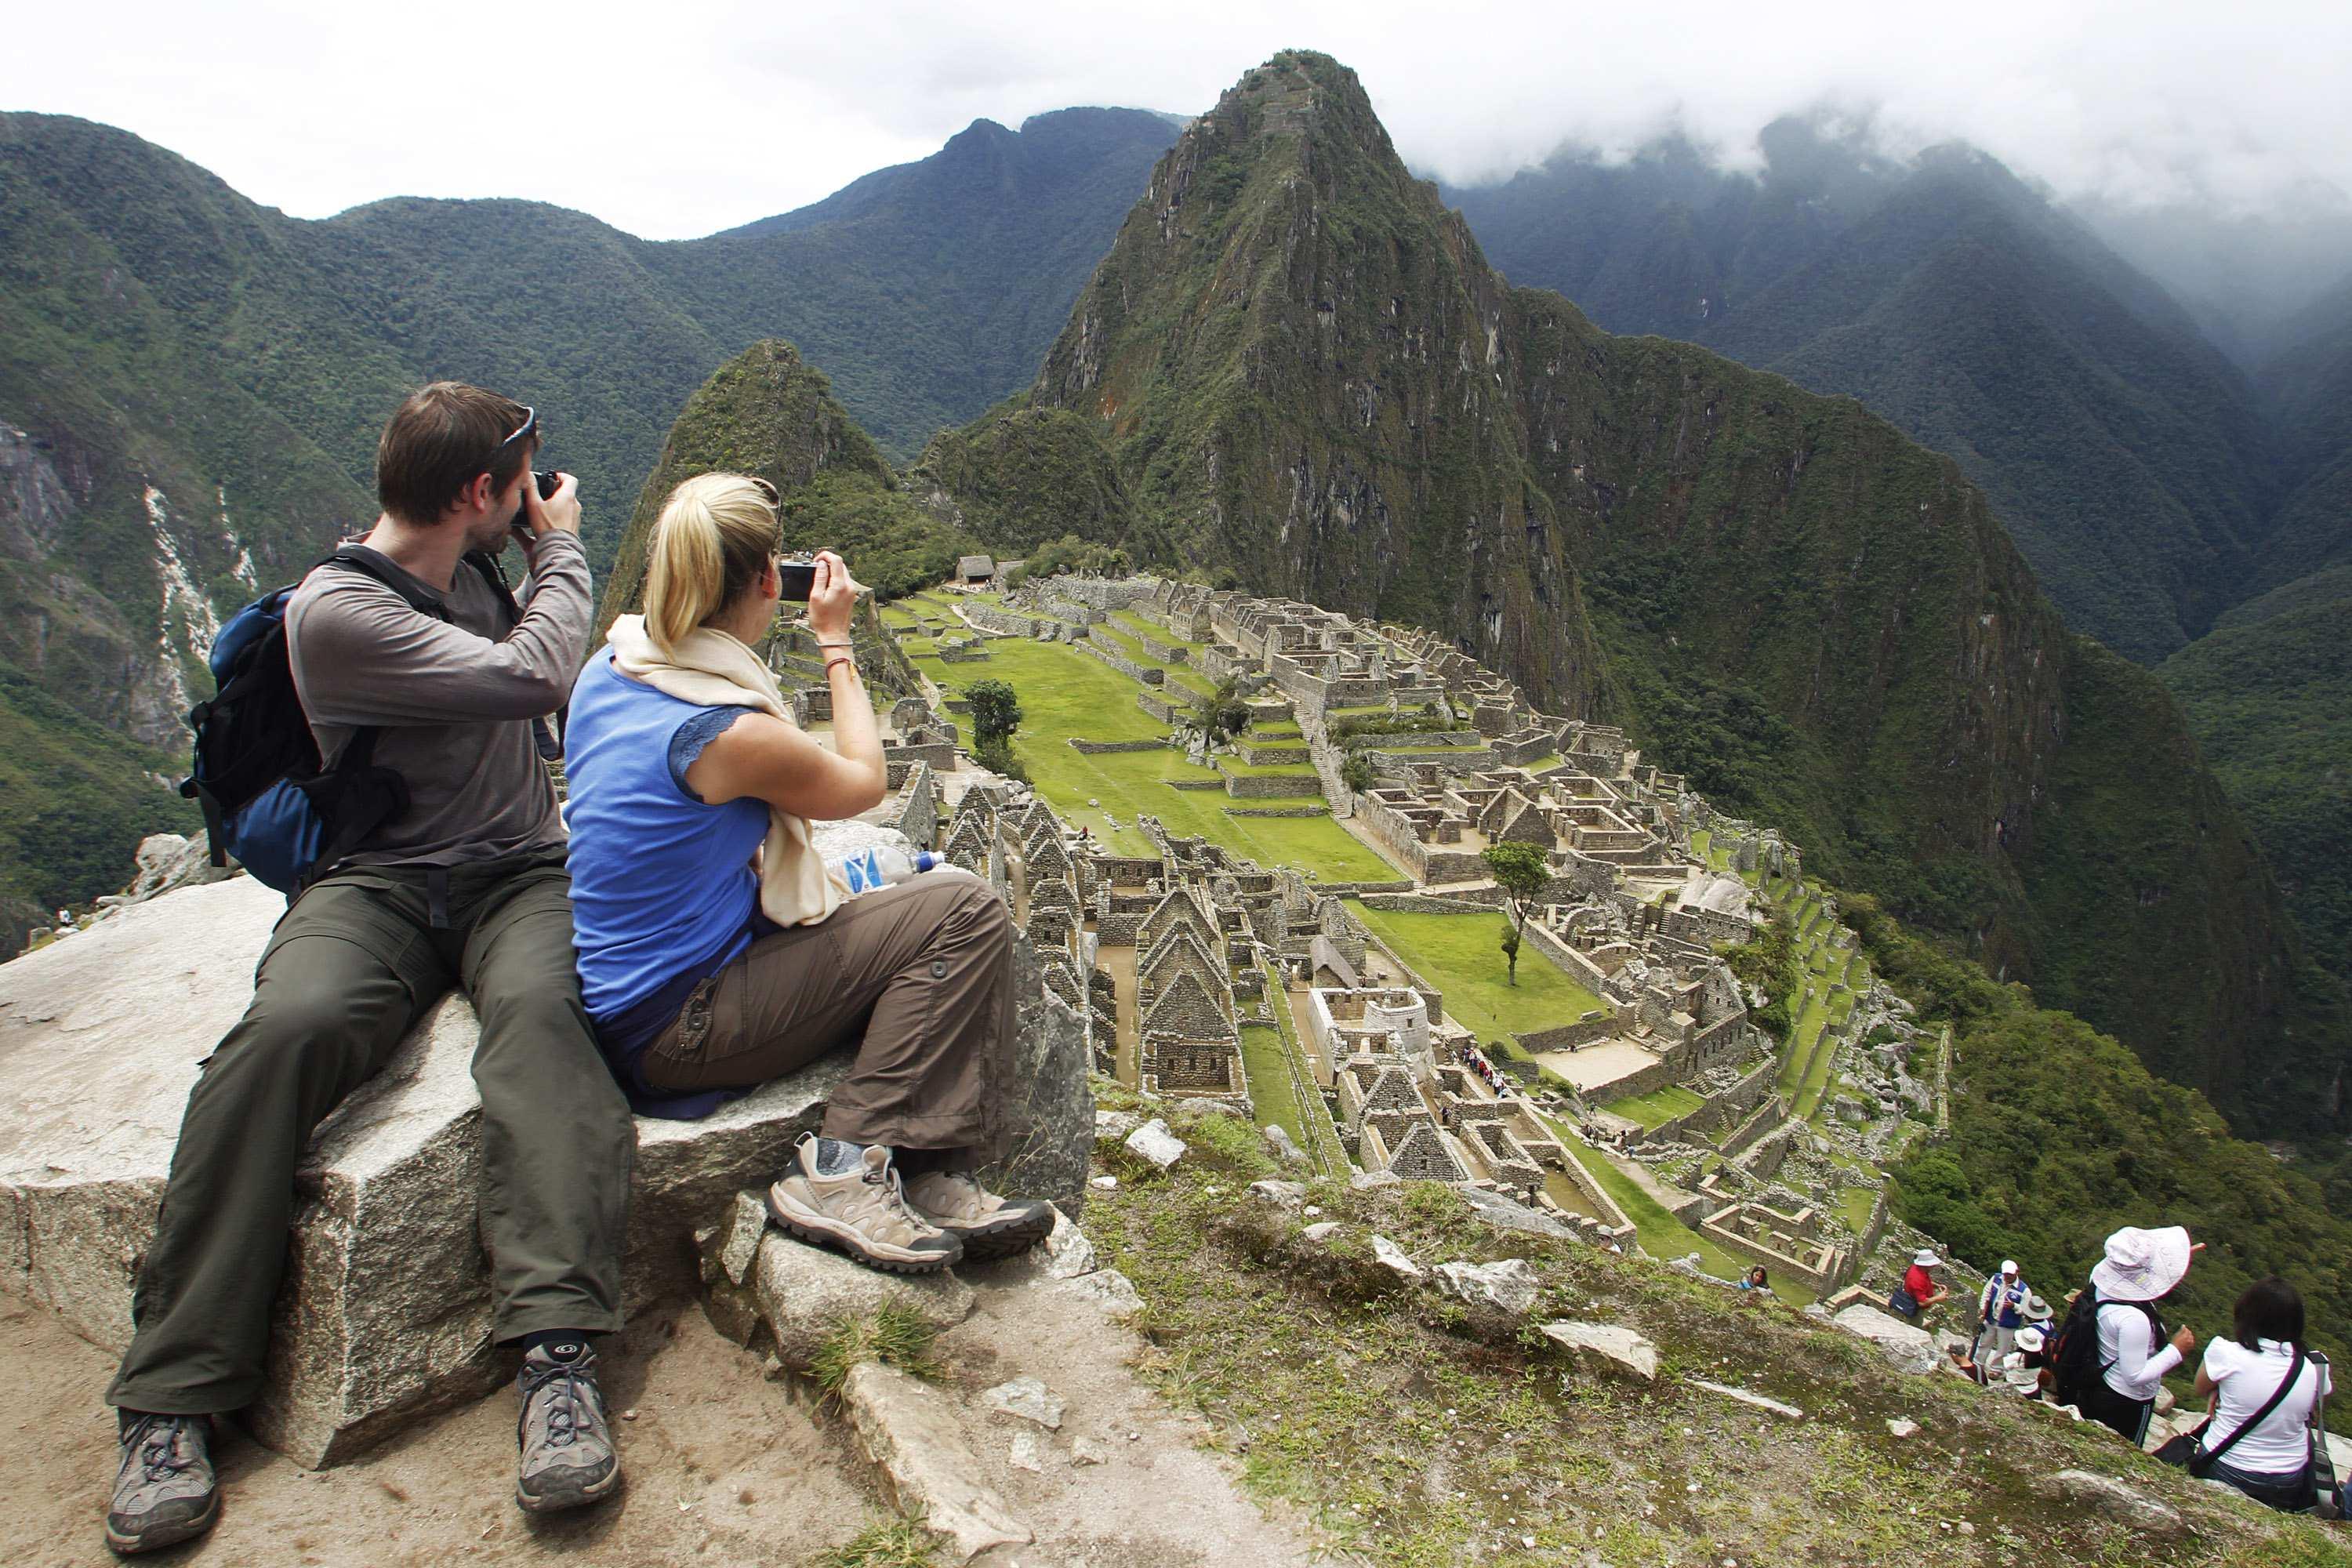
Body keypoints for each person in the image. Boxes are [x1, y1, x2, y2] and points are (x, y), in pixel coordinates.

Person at [101, 386, 636, 1554]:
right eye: (519, 483)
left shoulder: (476, 567)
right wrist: (568, 545)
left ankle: (555, 1355)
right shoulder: (342, 612)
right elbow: (539, 676)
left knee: (547, 1023)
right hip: (379, 884)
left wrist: (526, 551)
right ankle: (175, 1395)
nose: (534, 499)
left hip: (516, 873)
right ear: (475, 495)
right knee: (283, 1034)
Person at [561, 472, 1053, 1275]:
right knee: (963, 908)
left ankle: (924, 1169)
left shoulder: (613, 667)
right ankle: (842, 1163)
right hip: (680, 1021)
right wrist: (836, 640)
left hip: (637, 990)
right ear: (766, 582)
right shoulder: (722, 729)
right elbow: (863, 781)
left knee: (903, 890)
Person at [2190, 1278, 2329, 1511]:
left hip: (2226, 1465)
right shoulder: (2317, 1366)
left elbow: (2199, 1388)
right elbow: (2312, 1409)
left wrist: (2219, 1388)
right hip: (2287, 1477)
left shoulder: (2225, 1353)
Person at [2080, 1225, 2201, 1445]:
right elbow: (2134, 1377)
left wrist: (2175, 1265)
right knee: (2125, 1449)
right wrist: (2177, 1350)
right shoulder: (2133, 1320)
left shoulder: (2102, 1282)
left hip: (2103, 1383)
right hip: (2126, 1400)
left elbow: (2139, 1286)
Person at [1977, 1259, 2031, 1370]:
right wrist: (1983, 1308)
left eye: (2010, 1274)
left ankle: (1996, 1369)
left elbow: (2026, 1310)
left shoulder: (2024, 1290)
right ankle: (1978, 1364)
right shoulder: (1996, 1279)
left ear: (2017, 1272)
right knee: (1984, 1342)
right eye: (2006, 1274)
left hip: (2008, 1323)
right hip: (1991, 1318)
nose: (2007, 1277)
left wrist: (2014, 1306)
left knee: (2003, 1349)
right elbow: (1986, 1292)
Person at [1892, 1248, 1949, 1323]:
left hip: (1912, 1301)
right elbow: (1922, 1303)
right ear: (1927, 1265)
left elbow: (1923, 1283)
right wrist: (1938, 1297)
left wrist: (1937, 1285)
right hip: (1913, 1308)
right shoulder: (1917, 1279)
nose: (1934, 1266)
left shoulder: (1916, 1268)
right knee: (1916, 1328)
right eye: (1932, 1264)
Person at [1998, 1325, 2051, 1398]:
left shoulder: (2017, 1357)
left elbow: (2006, 1365)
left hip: (2016, 1389)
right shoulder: (2039, 1355)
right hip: (2033, 1389)